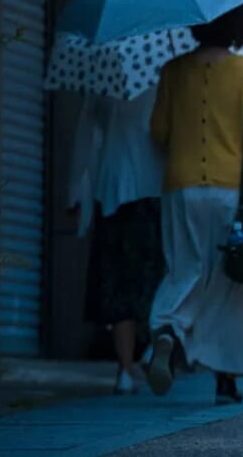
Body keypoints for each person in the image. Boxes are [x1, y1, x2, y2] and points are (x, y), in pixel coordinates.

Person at [145, 3, 243, 405]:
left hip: (181, 185)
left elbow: (159, 131)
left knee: (183, 267)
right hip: (234, 191)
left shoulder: (173, 70)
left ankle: (168, 330)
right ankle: (226, 377)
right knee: (231, 282)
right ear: (241, 25)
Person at [71, 85, 165, 394]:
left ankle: (124, 370)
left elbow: (85, 137)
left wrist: (74, 190)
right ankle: (155, 346)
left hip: (111, 189)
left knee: (117, 282)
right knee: (154, 277)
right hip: (152, 186)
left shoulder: (101, 81)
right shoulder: (161, 80)